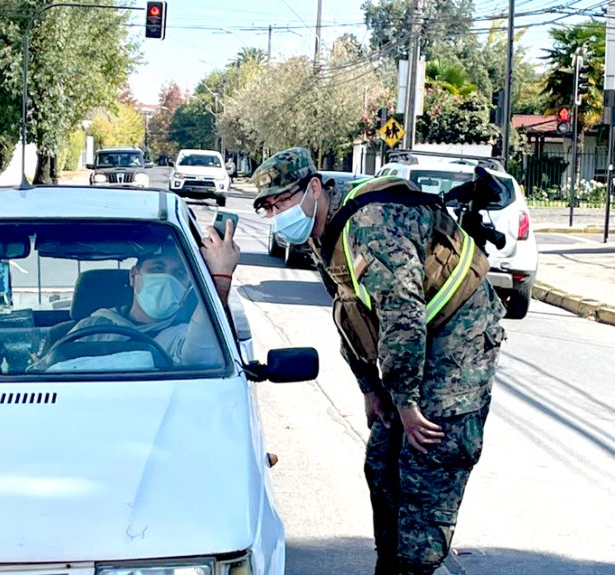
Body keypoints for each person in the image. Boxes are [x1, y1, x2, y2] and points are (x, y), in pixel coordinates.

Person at [250, 147, 505, 575]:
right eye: (269, 206)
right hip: (411, 339)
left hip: (459, 337)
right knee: (382, 463)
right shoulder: (326, 228)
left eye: (283, 200)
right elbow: (351, 310)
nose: (277, 213)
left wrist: (405, 401)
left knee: (428, 462)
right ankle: (392, 564)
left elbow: (401, 316)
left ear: (314, 188)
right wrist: (371, 388)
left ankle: (413, 565)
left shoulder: (369, 227)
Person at [36, 220, 239, 370]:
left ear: (188, 288)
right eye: (157, 268)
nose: (167, 279)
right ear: (134, 276)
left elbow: (201, 357)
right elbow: (47, 375)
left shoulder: (184, 334)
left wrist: (220, 280)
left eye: (179, 274)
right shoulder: (91, 328)